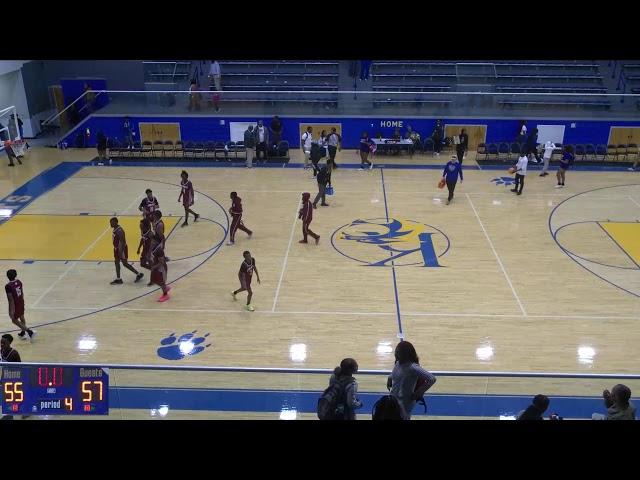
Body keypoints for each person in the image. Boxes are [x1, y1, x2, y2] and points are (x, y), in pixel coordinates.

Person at [387, 340, 437, 420]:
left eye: (398, 351)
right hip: (393, 399)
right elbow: (397, 374)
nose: (395, 353)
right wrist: (390, 378)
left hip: (404, 403)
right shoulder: (398, 363)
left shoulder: (413, 367)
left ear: (404, 354)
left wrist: (420, 391)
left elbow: (432, 378)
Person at [110, 217, 144, 285]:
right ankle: (118, 279)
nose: (110, 224)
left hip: (121, 249)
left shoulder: (120, 231)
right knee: (116, 262)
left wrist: (120, 252)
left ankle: (138, 274)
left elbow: (122, 242)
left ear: (116, 222)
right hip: (116, 248)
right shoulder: (115, 229)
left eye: (112, 222)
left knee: (125, 263)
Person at [5, 269, 35, 341]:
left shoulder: (8, 286)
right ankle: (23, 332)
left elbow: (11, 300)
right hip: (21, 300)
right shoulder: (19, 282)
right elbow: (22, 292)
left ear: (7, 276)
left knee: (14, 320)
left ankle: (29, 331)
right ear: (15, 275)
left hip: (15, 304)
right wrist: (22, 301)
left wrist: (11, 311)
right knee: (21, 316)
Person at [149, 235, 170, 302]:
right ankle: (165, 287)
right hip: (156, 267)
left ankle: (165, 294)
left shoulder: (159, 250)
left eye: (153, 241)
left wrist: (154, 267)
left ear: (156, 242)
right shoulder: (153, 248)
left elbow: (161, 262)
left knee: (161, 282)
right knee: (154, 280)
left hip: (160, 268)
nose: (151, 241)